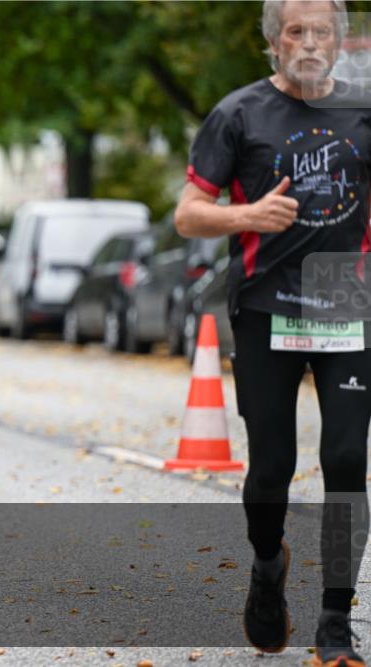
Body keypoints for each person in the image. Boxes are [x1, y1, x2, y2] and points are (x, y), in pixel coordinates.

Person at [175, 2, 370, 664]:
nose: (310, 43)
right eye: (296, 31)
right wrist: (249, 214)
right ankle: (267, 564)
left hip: (348, 303)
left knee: (346, 462)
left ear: (341, 42)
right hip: (267, 310)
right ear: (273, 41)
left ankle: (337, 622)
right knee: (271, 471)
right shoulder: (239, 114)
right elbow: (187, 215)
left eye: (323, 32)